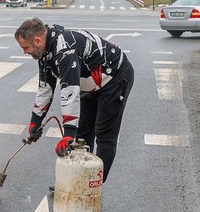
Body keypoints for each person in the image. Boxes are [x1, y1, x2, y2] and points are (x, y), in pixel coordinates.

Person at [15, 17, 134, 184]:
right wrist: (35, 122)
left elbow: (69, 91)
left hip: (115, 78)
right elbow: (45, 89)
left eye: (25, 47)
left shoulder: (65, 50)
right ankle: (78, 184)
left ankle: (93, 187)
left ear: (37, 40)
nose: (25, 52)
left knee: (104, 136)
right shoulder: (45, 54)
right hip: (91, 84)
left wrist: (68, 134)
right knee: (83, 135)